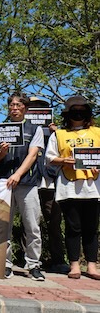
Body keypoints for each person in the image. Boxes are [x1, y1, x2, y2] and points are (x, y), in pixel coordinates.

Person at [0, 93, 45, 280]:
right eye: (11, 105)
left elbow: (33, 155)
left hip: (27, 184)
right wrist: (1, 152)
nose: (14, 108)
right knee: (3, 227)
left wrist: (18, 174)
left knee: (32, 226)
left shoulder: (35, 129)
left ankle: (33, 265)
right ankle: (5, 264)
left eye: (18, 105)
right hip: (3, 184)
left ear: (26, 109)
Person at [45, 95, 100, 280]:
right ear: (68, 114)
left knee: (91, 227)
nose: (78, 114)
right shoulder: (59, 134)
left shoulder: (98, 132)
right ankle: (74, 265)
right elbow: (49, 158)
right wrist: (63, 160)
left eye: (82, 110)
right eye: (74, 111)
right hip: (69, 186)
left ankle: (92, 266)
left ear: (88, 113)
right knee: (73, 227)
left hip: (94, 186)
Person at [28, 97, 68, 274]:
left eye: (40, 108)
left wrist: (56, 133)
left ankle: (58, 260)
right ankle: (27, 260)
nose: (37, 110)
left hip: (51, 182)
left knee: (53, 222)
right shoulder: (24, 130)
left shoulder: (57, 133)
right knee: (29, 223)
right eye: (33, 107)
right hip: (30, 181)